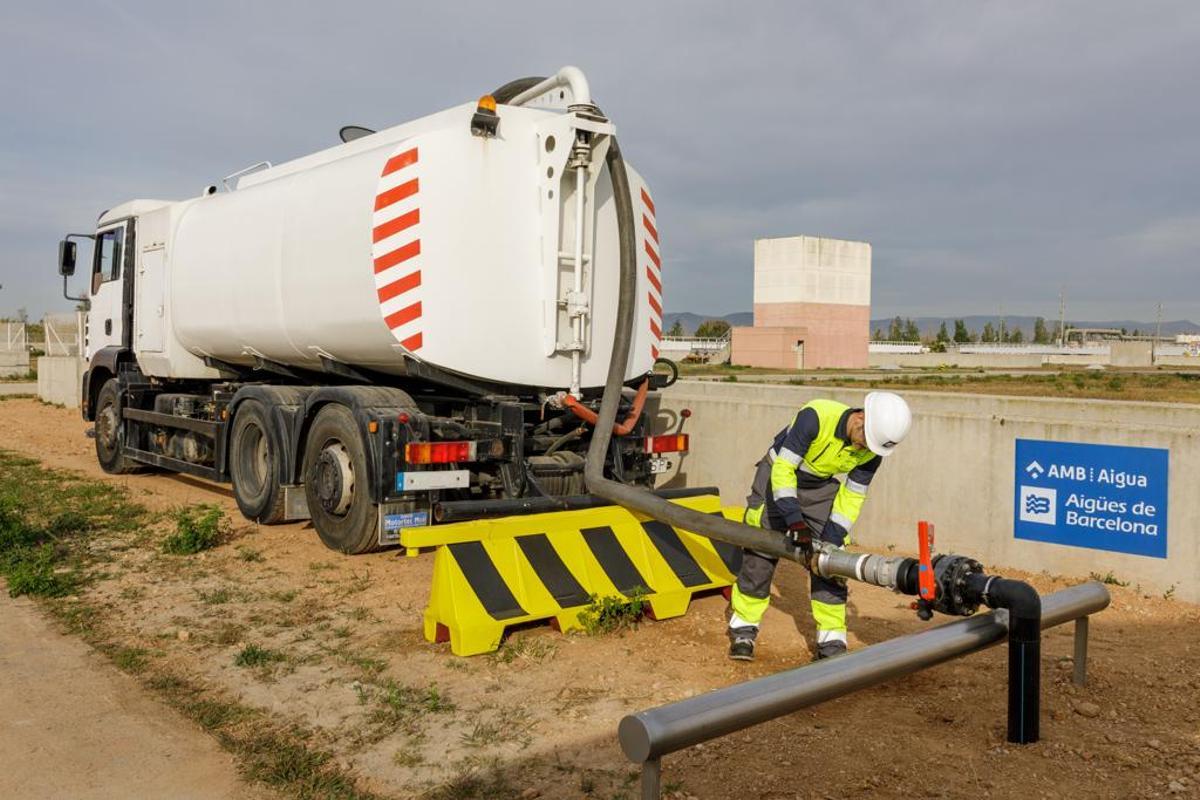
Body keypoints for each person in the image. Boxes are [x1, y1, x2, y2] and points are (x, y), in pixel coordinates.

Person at [727, 392, 912, 661]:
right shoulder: (815, 416)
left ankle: (831, 641)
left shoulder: (873, 449)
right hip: (777, 473)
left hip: (819, 486)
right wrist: (794, 520)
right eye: (864, 442)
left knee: (832, 560)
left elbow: (853, 495)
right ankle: (743, 629)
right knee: (761, 550)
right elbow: (784, 470)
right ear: (860, 417)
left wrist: (832, 537)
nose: (864, 449)